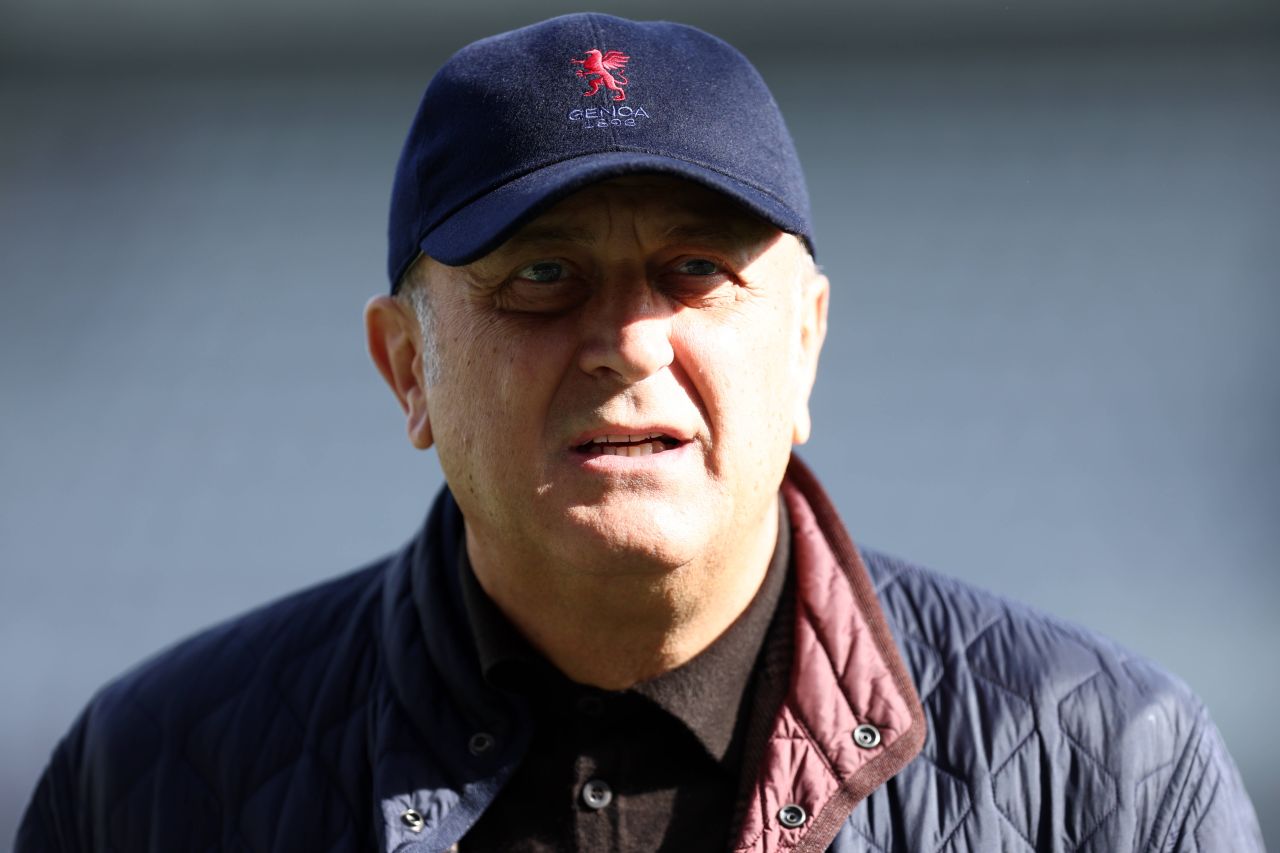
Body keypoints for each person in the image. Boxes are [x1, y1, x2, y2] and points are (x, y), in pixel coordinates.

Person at [16, 13, 1263, 853]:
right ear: (407, 368)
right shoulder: (154, 777)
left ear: (805, 342)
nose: (627, 342)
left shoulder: (1111, 773)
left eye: (696, 270)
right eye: (542, 276)